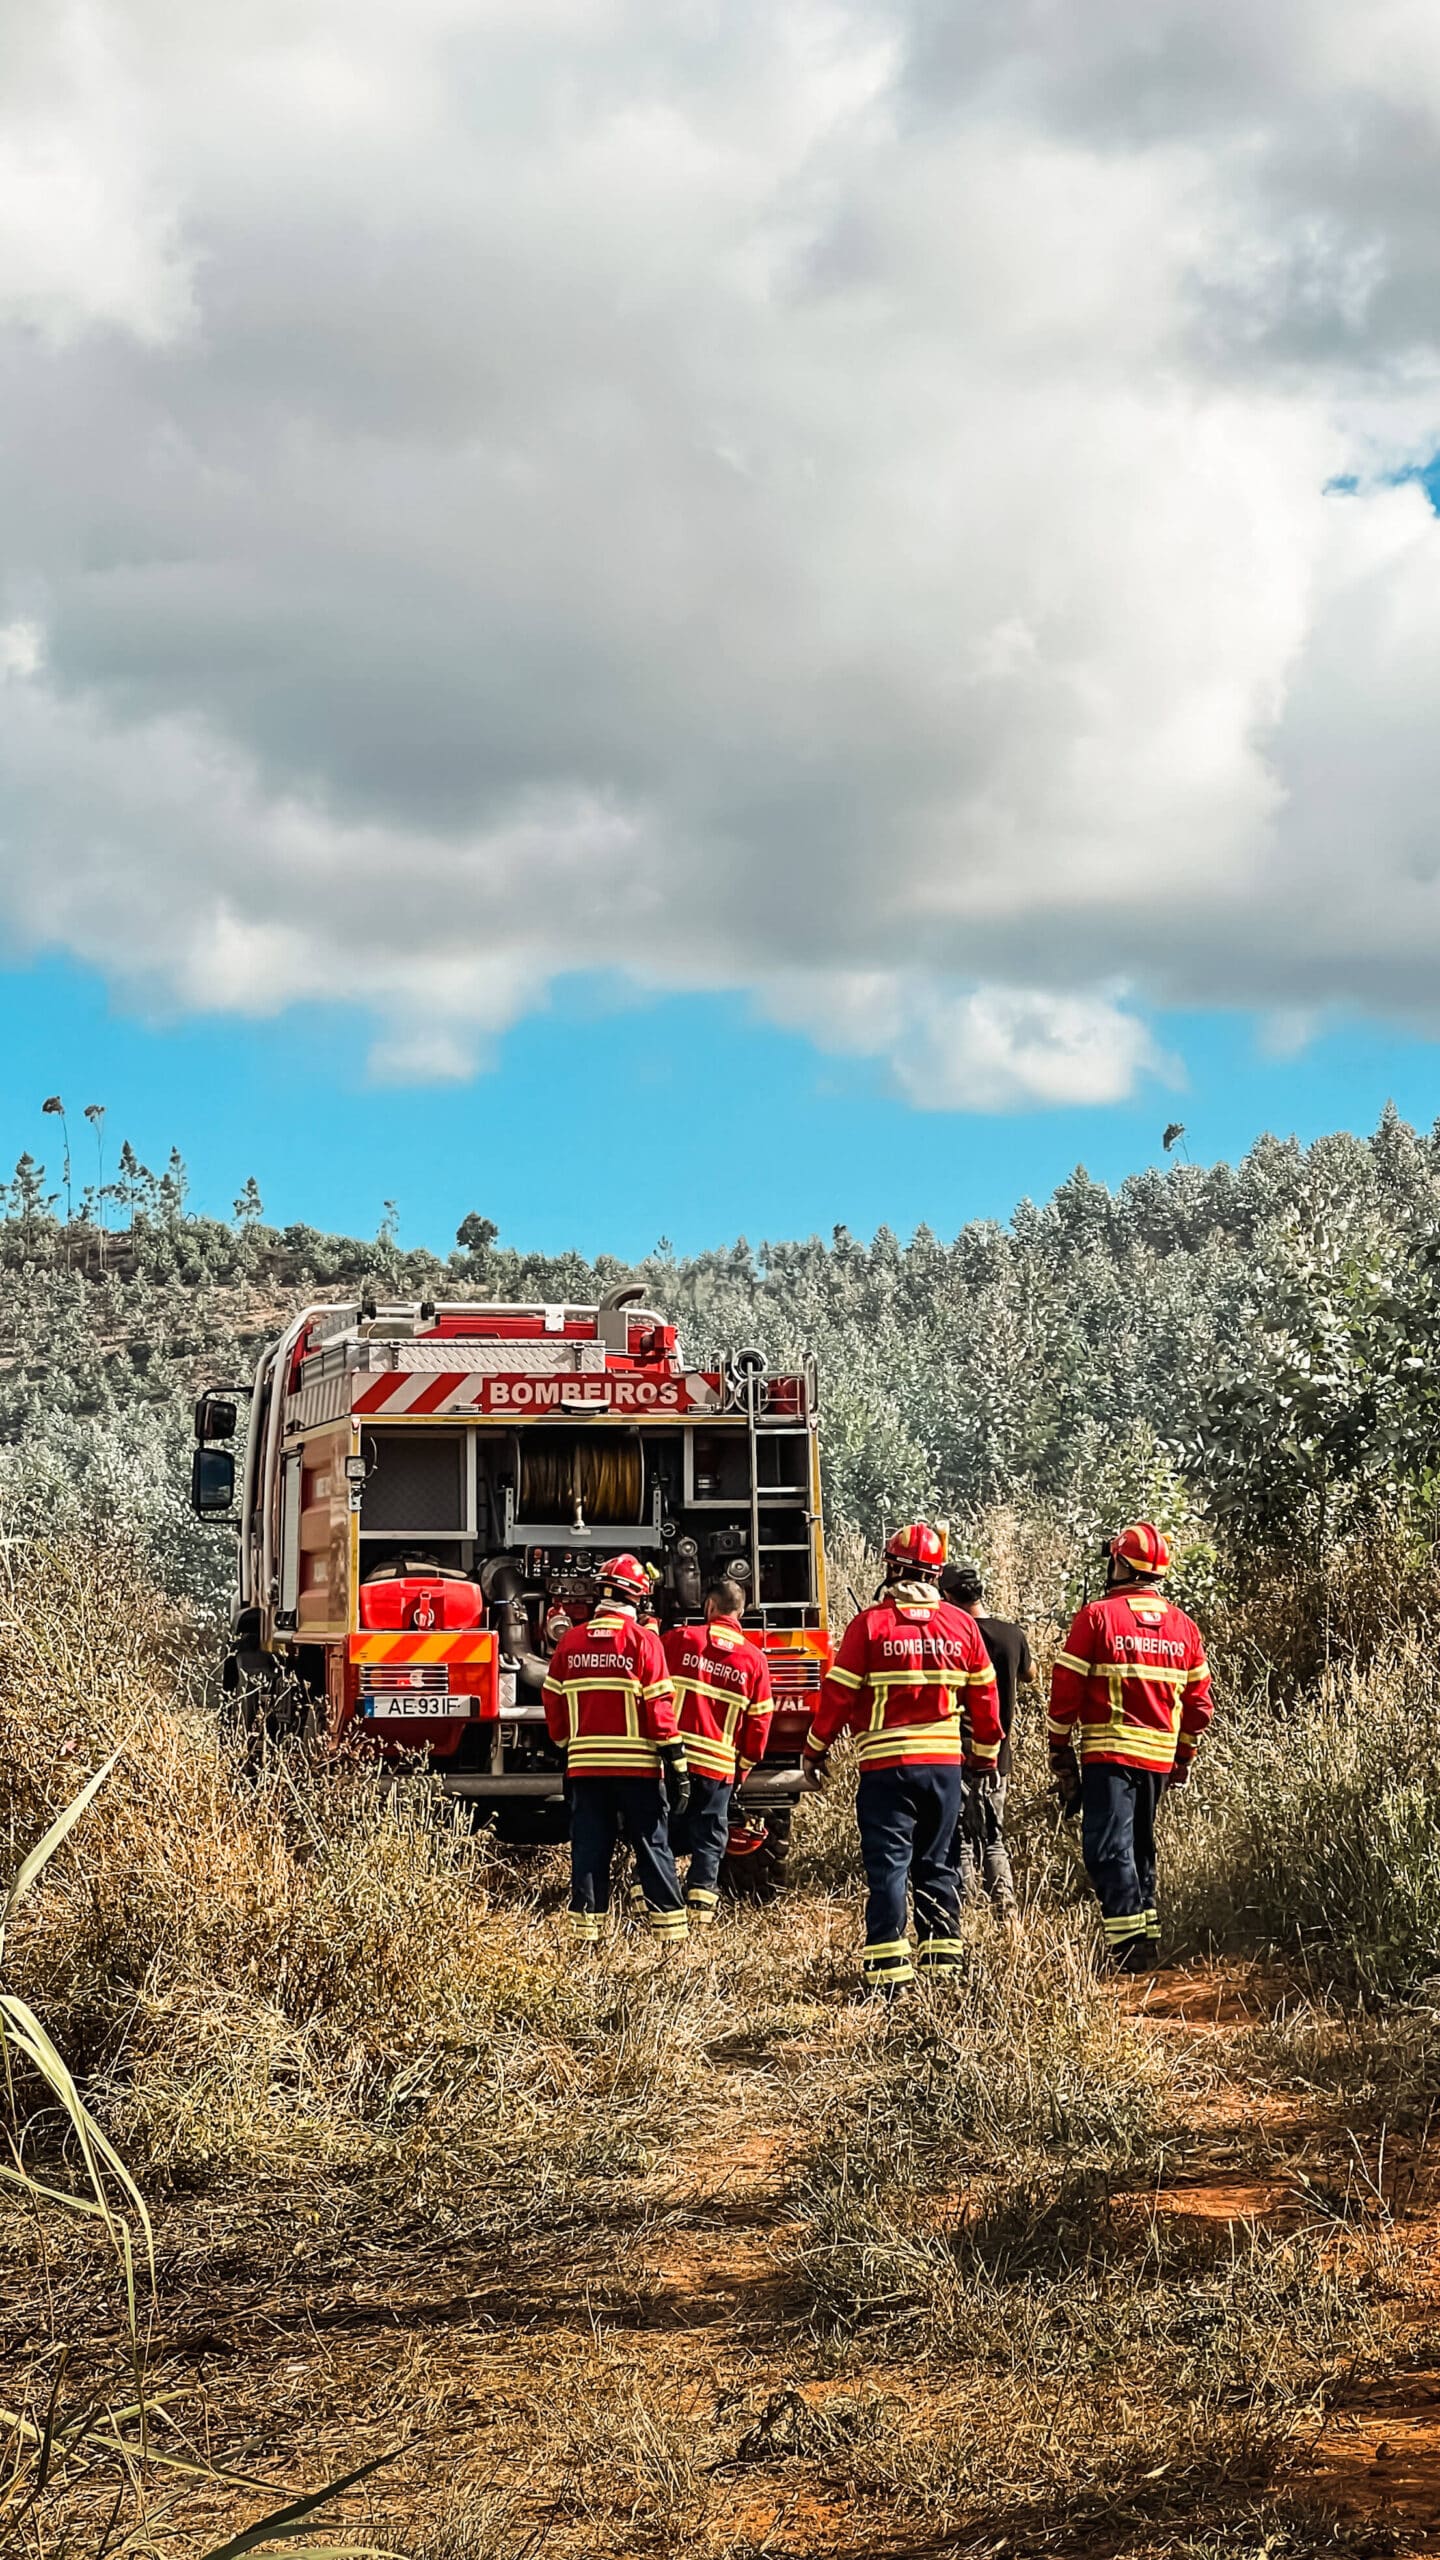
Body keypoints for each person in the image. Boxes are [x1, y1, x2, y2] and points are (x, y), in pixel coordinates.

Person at [802, 1522, 1003, 1996]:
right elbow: (987, 1701)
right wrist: (985, 1756)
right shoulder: (961, 1627)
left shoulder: (869, 1625)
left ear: (892, 1568)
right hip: (944, 1769)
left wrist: (815, 1748)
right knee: (939, 1860)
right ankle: (943, 1964)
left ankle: (888, 1974)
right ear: (936, 1574)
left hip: (886, 1768)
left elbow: (837, 1696)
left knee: (890, 1864)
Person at [1048, 1521, 1213, 1972]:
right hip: (1159, 1758)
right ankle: (1147, 1939)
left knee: (1107, 1849)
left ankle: (1127, 1948)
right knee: (1140, 1846)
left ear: (1121, 1563)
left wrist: (1058, 1744)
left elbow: (1066, 1688)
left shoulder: (1097, 1617)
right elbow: (1199, 1705)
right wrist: (1183, 1757)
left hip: (1110, 1754)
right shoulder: (1184, 1627)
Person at [543, 1553, 691, 1948]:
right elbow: (660, 1708)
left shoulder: (570, 1641)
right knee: (651, 1844)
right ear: (638, 1599)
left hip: (586, 1768)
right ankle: (670, 1938)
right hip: (638, 1770)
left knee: (590, 1846)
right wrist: (675, 1759)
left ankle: (585, 1938)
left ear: (600, 1594)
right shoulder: (644, 1642)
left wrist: (564, 1743)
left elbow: (552, 1698)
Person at [663, 1578, 773, 1927]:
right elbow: (759, 1726)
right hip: (720, 1769)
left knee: (660, 1831)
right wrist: (742, 1769)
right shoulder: (755, 1661)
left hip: (673, 1761)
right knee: (710, 1838)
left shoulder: (681, 1640)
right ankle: (700, 1916)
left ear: (709, 1607)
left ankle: (657, 1902)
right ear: (740, 1612)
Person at [940, 1557, 1033, 1920]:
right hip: (999, 1751)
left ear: (946, 1595)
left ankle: (969, 1908)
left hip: (958, 1750)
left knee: (960, 1837)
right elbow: (1031, 1676)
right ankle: (1006, 1909)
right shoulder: (1012, 1633)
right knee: (993, 1836)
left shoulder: (952, 1634)